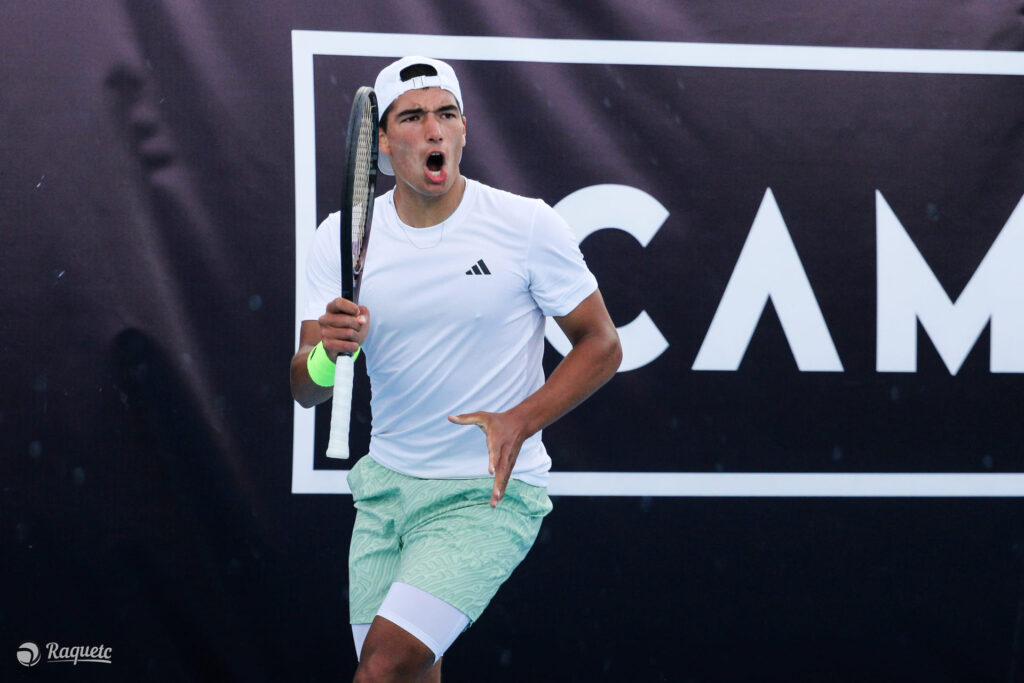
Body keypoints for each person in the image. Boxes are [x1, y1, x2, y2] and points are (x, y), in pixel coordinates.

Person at [290, 56, 622, 682]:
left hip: (487, 492)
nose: (433, 129)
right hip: (386, 492)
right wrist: (328, 353)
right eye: (412, 117)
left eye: (447, 113)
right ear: (383, 143)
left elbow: (601, 344)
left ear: (464, 130)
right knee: (412, 674)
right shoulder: (338, 238)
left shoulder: (527, 225)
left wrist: (520, 420)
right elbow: (305, 389)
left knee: (383, 669)